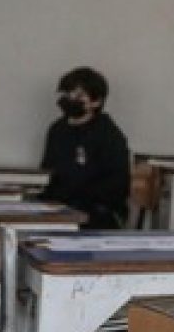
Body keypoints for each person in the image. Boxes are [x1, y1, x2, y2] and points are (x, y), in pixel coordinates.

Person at [38, 66, 130, 230]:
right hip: (58, 207)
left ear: (96, 102)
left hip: (96, 212)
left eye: (79, 95)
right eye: (68, 93)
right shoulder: (57, 129)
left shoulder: (109, 135)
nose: (71, 98)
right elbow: (48, 171)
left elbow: (116, 186)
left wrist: (75, 203)